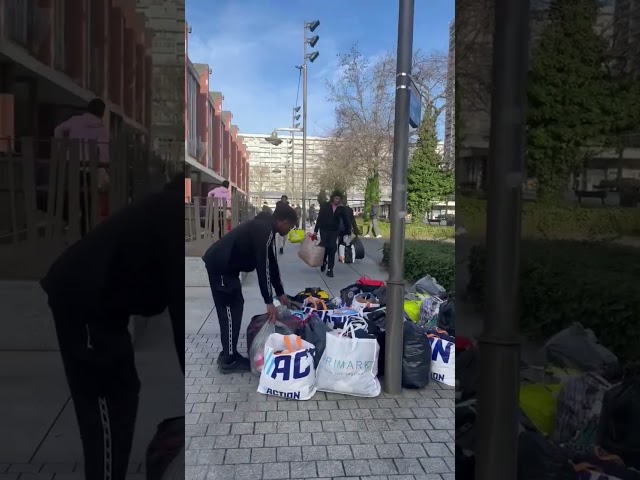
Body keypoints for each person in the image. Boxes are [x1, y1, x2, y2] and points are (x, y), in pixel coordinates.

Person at [39, 174, 184, 480]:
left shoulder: (164, 207)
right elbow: (178, 301)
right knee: (106, 408)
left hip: (103, 307)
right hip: (86, 305)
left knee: (124, 392)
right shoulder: (171, 212)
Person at [202, 205, 298, 373]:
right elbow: (263, 267)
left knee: (236, 306)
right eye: (291, 226)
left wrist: (280, 292)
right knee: (230, 310)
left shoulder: (265, 228)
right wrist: (268, 301)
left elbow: (271, 264)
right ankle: (228, 360)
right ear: (283, 221)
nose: (290, 230)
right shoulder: (264, 230)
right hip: (222, 267)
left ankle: (229, 353)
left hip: (227, 268)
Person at [54, 98, 110, 236]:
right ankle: (84, 232)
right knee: (88, 201)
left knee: (70, 196)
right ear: (101, 113)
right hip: (90, 169)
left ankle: (70, 224)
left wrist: (63, 148)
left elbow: (58, 130)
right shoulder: (101, 129)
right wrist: (104, 169)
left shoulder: (75, 120)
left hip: (73, 165)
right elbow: (103, 152)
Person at [314, 191, 351, 277]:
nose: (337, 200)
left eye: (339, 199)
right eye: (336, 198)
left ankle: (330, 269)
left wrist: (348, 232)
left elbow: (346, 220)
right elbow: (320, 218)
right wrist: (315, 230)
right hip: (324, 229)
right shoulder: (325, 206)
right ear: (332, 198)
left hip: (334, 230)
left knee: (332, 248)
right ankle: (323, 261)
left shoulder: (341, 208)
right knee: (325, 247)